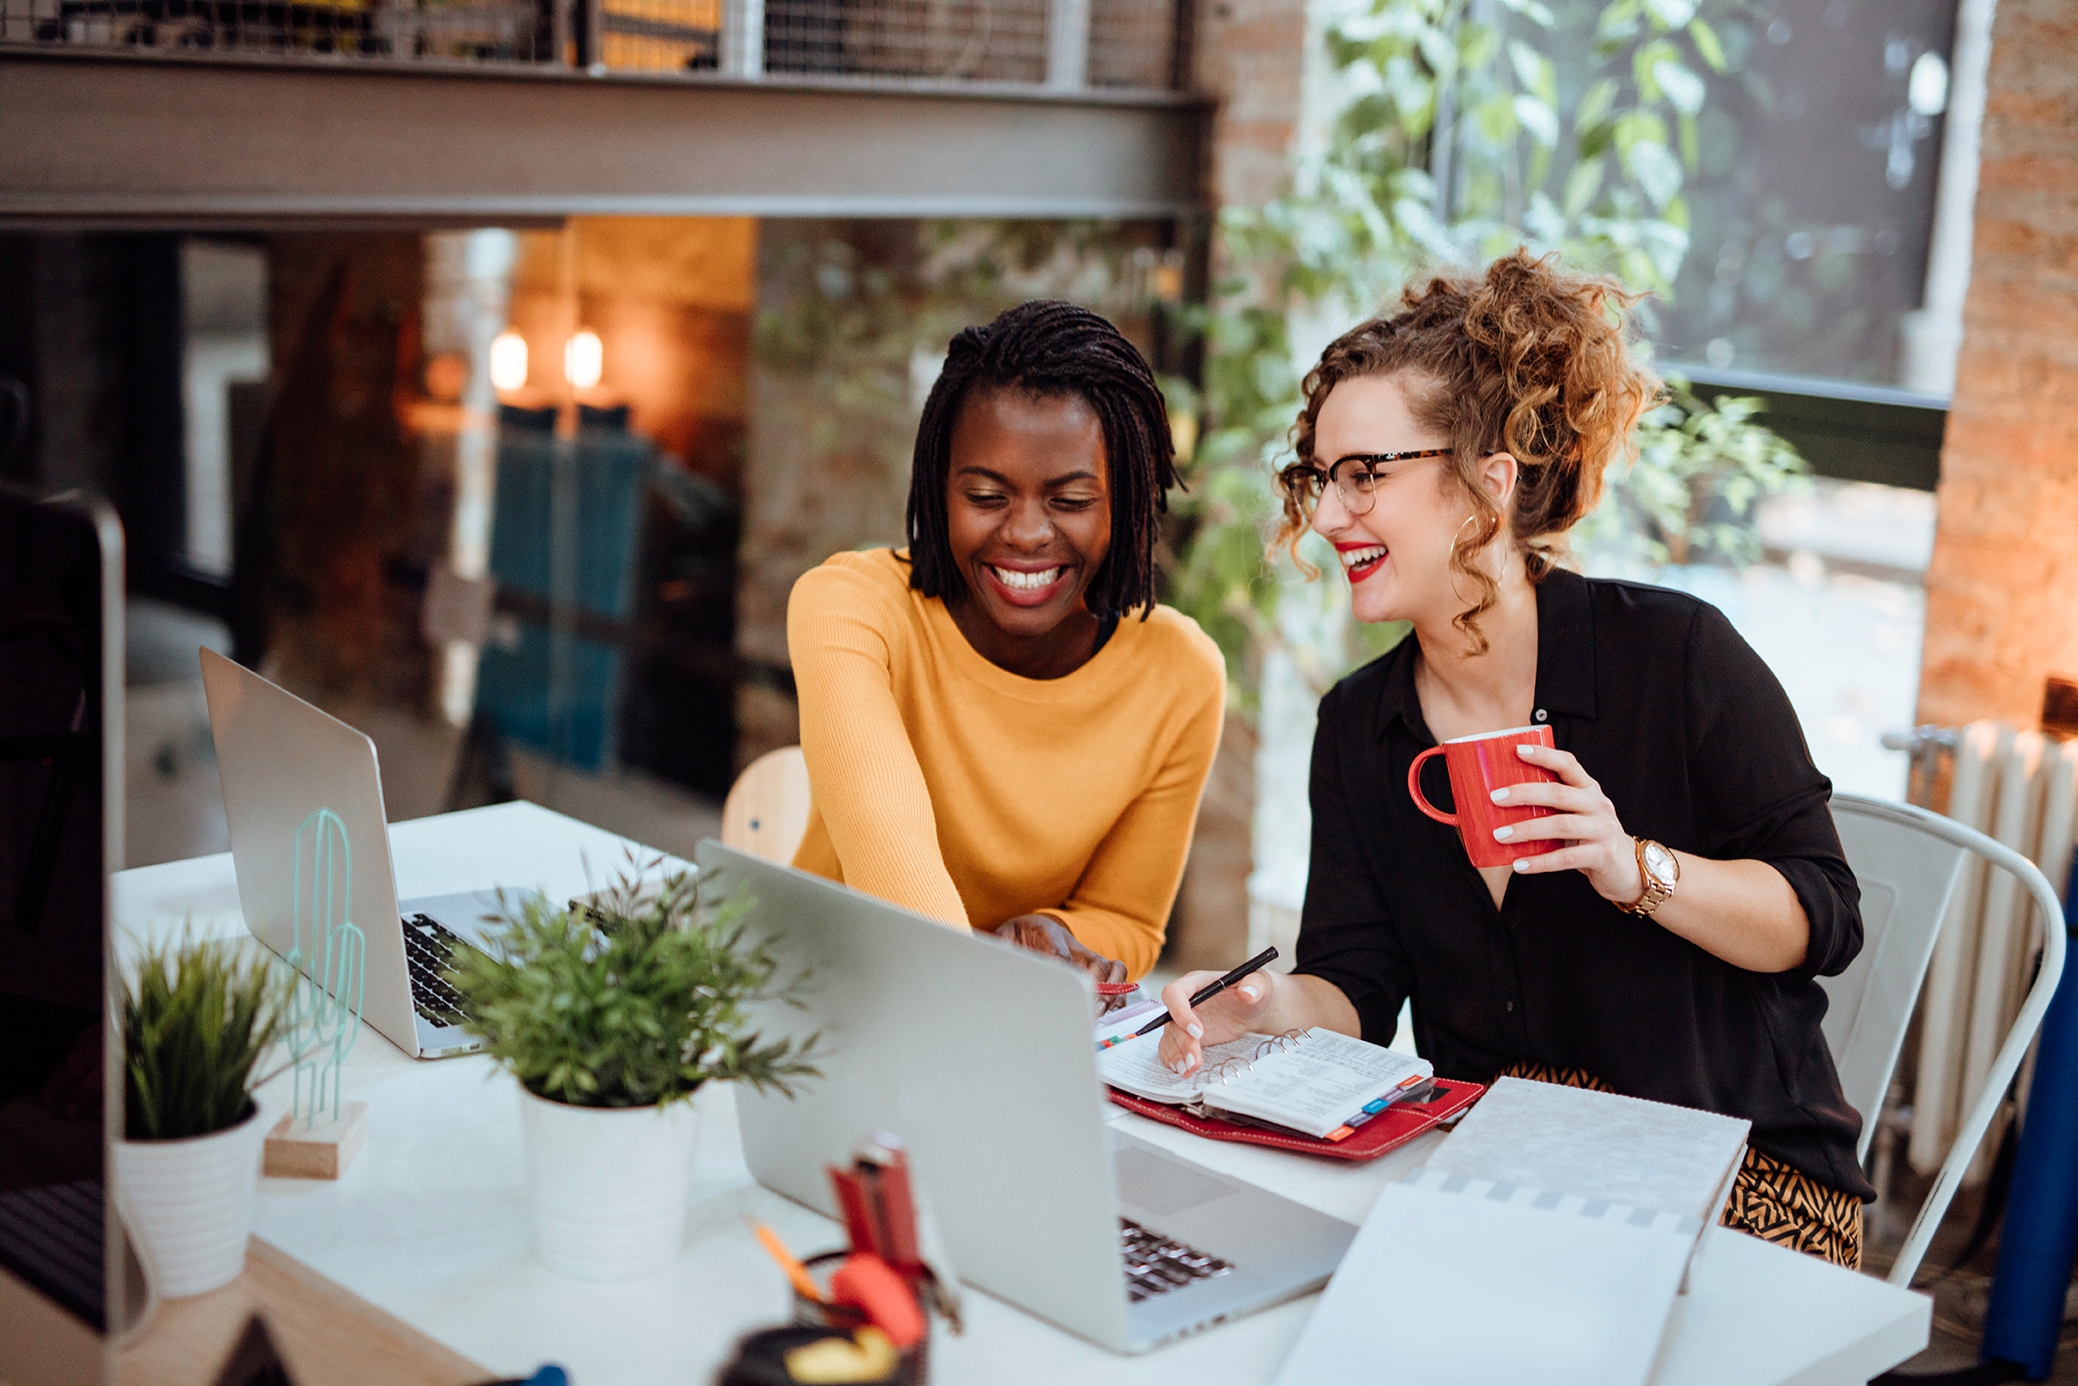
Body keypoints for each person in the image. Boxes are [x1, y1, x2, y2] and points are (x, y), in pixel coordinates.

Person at [1157, 251, 1873, 1268]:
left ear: (1485, 486)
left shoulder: (1673, 657)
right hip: (1506, 1165)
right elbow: (1356, 992)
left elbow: (1822, 920)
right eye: (1322, 479)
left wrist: (1633, 871)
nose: (1324, 515)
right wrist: (1260, 1010)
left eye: (1364, 475)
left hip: (1736, 1174)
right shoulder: (1360, 726)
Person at [788, 299, 1225, 992]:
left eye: (1072, 501)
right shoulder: (851, 608)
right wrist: (991, 974)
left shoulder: (1180, 674)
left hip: (1006, 1024)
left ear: (1130, 502)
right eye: (986, 495)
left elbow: (1125, 920)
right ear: (938, 489)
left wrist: (1059, 937)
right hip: (826, 1000)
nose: (1025, 534)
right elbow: (890, 858)